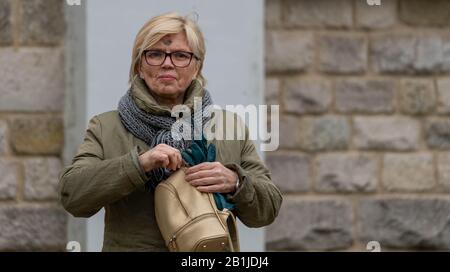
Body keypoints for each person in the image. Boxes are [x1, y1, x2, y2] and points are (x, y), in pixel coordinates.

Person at [58, 12, 282, 252]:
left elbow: (267, 209)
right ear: (139, 66)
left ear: (197, 66)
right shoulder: (106, 127)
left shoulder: (229, 127)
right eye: (154, 54)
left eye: (180, 55)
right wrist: (139, 164)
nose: (167, 63)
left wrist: (236, 182)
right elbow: (73, 196)